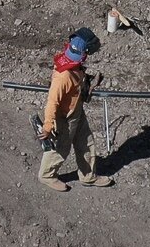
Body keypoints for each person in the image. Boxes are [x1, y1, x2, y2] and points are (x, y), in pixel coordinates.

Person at [36, 29, 113, 192]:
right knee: (61, 149)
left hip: (76, 111)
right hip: (65, 118)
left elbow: (76, 85)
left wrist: (88, 84)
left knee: (86, 143)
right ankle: (47, 176)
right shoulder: (63, 76)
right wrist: (48, 125)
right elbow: (52, 102)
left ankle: (88, 176)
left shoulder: (72, 64)